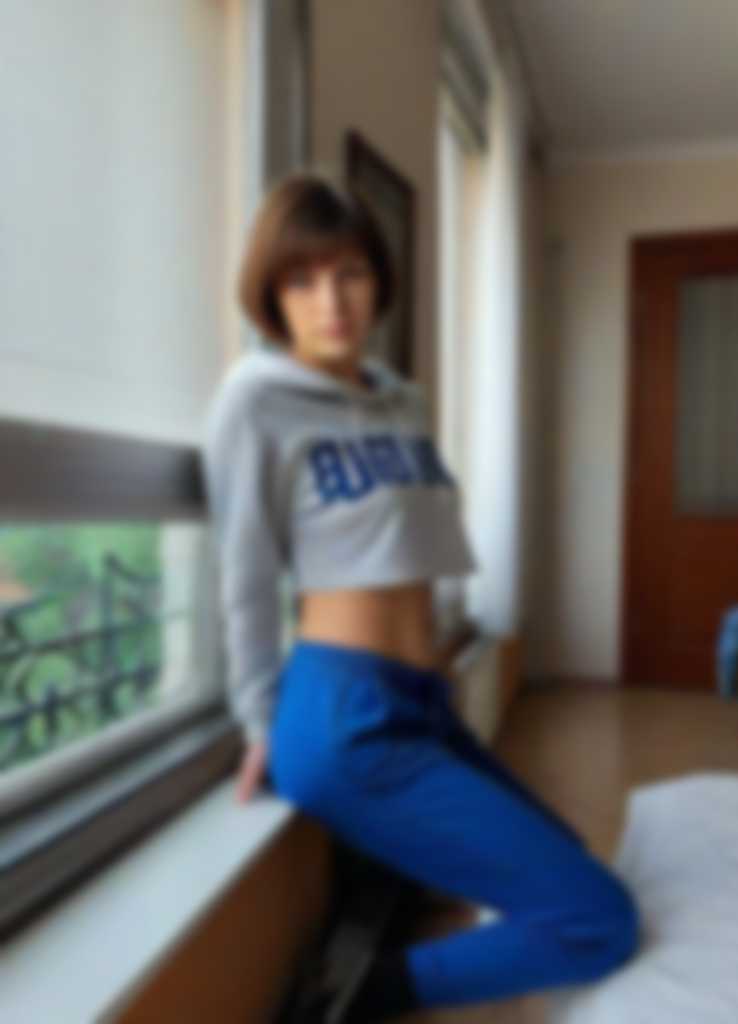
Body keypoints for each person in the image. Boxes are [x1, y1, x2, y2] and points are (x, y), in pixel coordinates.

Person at [201, 170, 641, 1022]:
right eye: (303, 280)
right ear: (272, 294)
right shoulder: (254, 400)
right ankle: (358, 999)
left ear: (380, 280)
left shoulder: (403, 402)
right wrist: (257, 719)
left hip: (422, 701)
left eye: (351, 273)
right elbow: (244, 573)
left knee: (565, 854)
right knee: (599, 919)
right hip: (343, 715)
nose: (332, 301)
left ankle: (374, 928)